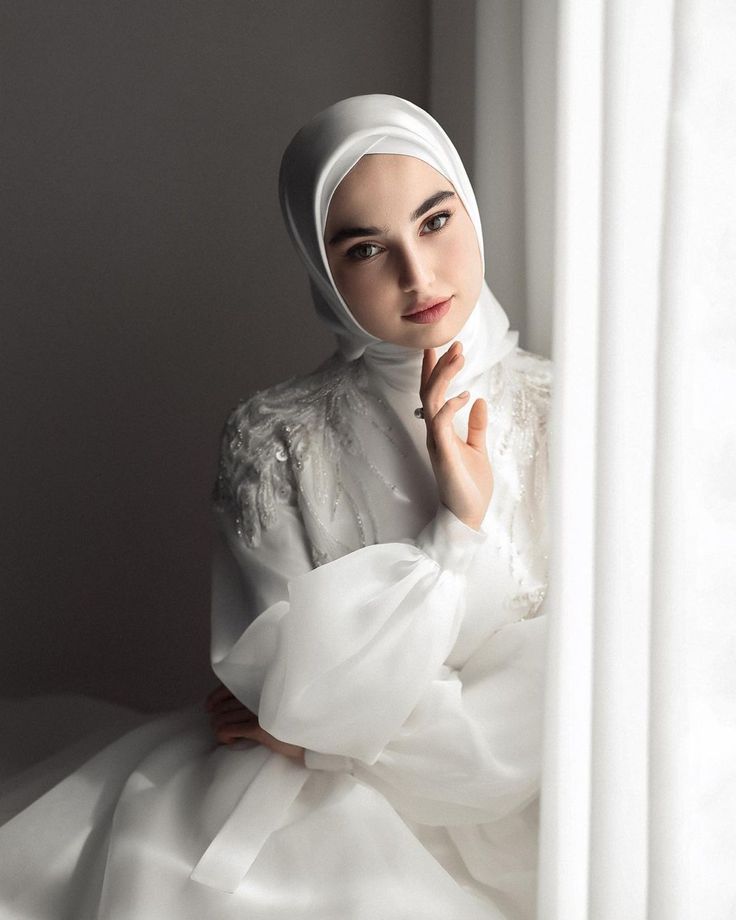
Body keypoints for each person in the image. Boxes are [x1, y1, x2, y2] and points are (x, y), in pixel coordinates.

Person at [0, 94, 551, 920]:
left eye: (435, 221)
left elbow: (567, 697)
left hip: (531, 809)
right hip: (311, 802)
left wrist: (336, 729)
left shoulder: (575, 417)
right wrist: (453, 536)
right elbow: (283, 695)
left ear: (469, 209)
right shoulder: (273, 438)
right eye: (367, 248)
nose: (416, 274)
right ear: (323, 270)